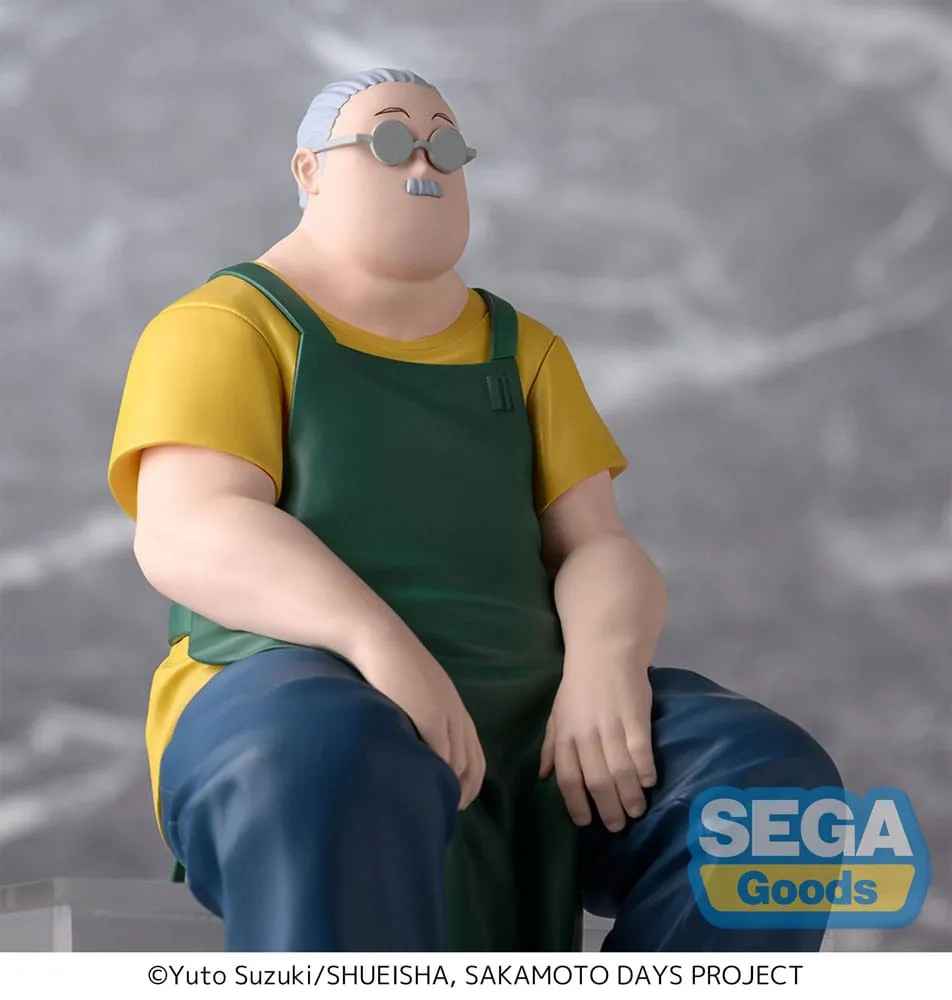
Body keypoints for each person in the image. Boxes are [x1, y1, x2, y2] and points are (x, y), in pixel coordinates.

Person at [107, 67, 841, 952]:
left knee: (771, 791)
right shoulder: (225, 325)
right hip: (294, 693)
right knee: (329, 757)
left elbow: (598, 545)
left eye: (445, 147)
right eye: (390, 141)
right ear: (309, 170)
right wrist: (378, 643)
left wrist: (602, 667)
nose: (424, 163)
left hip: (535, 716)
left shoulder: (524, 350)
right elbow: (192, 527)